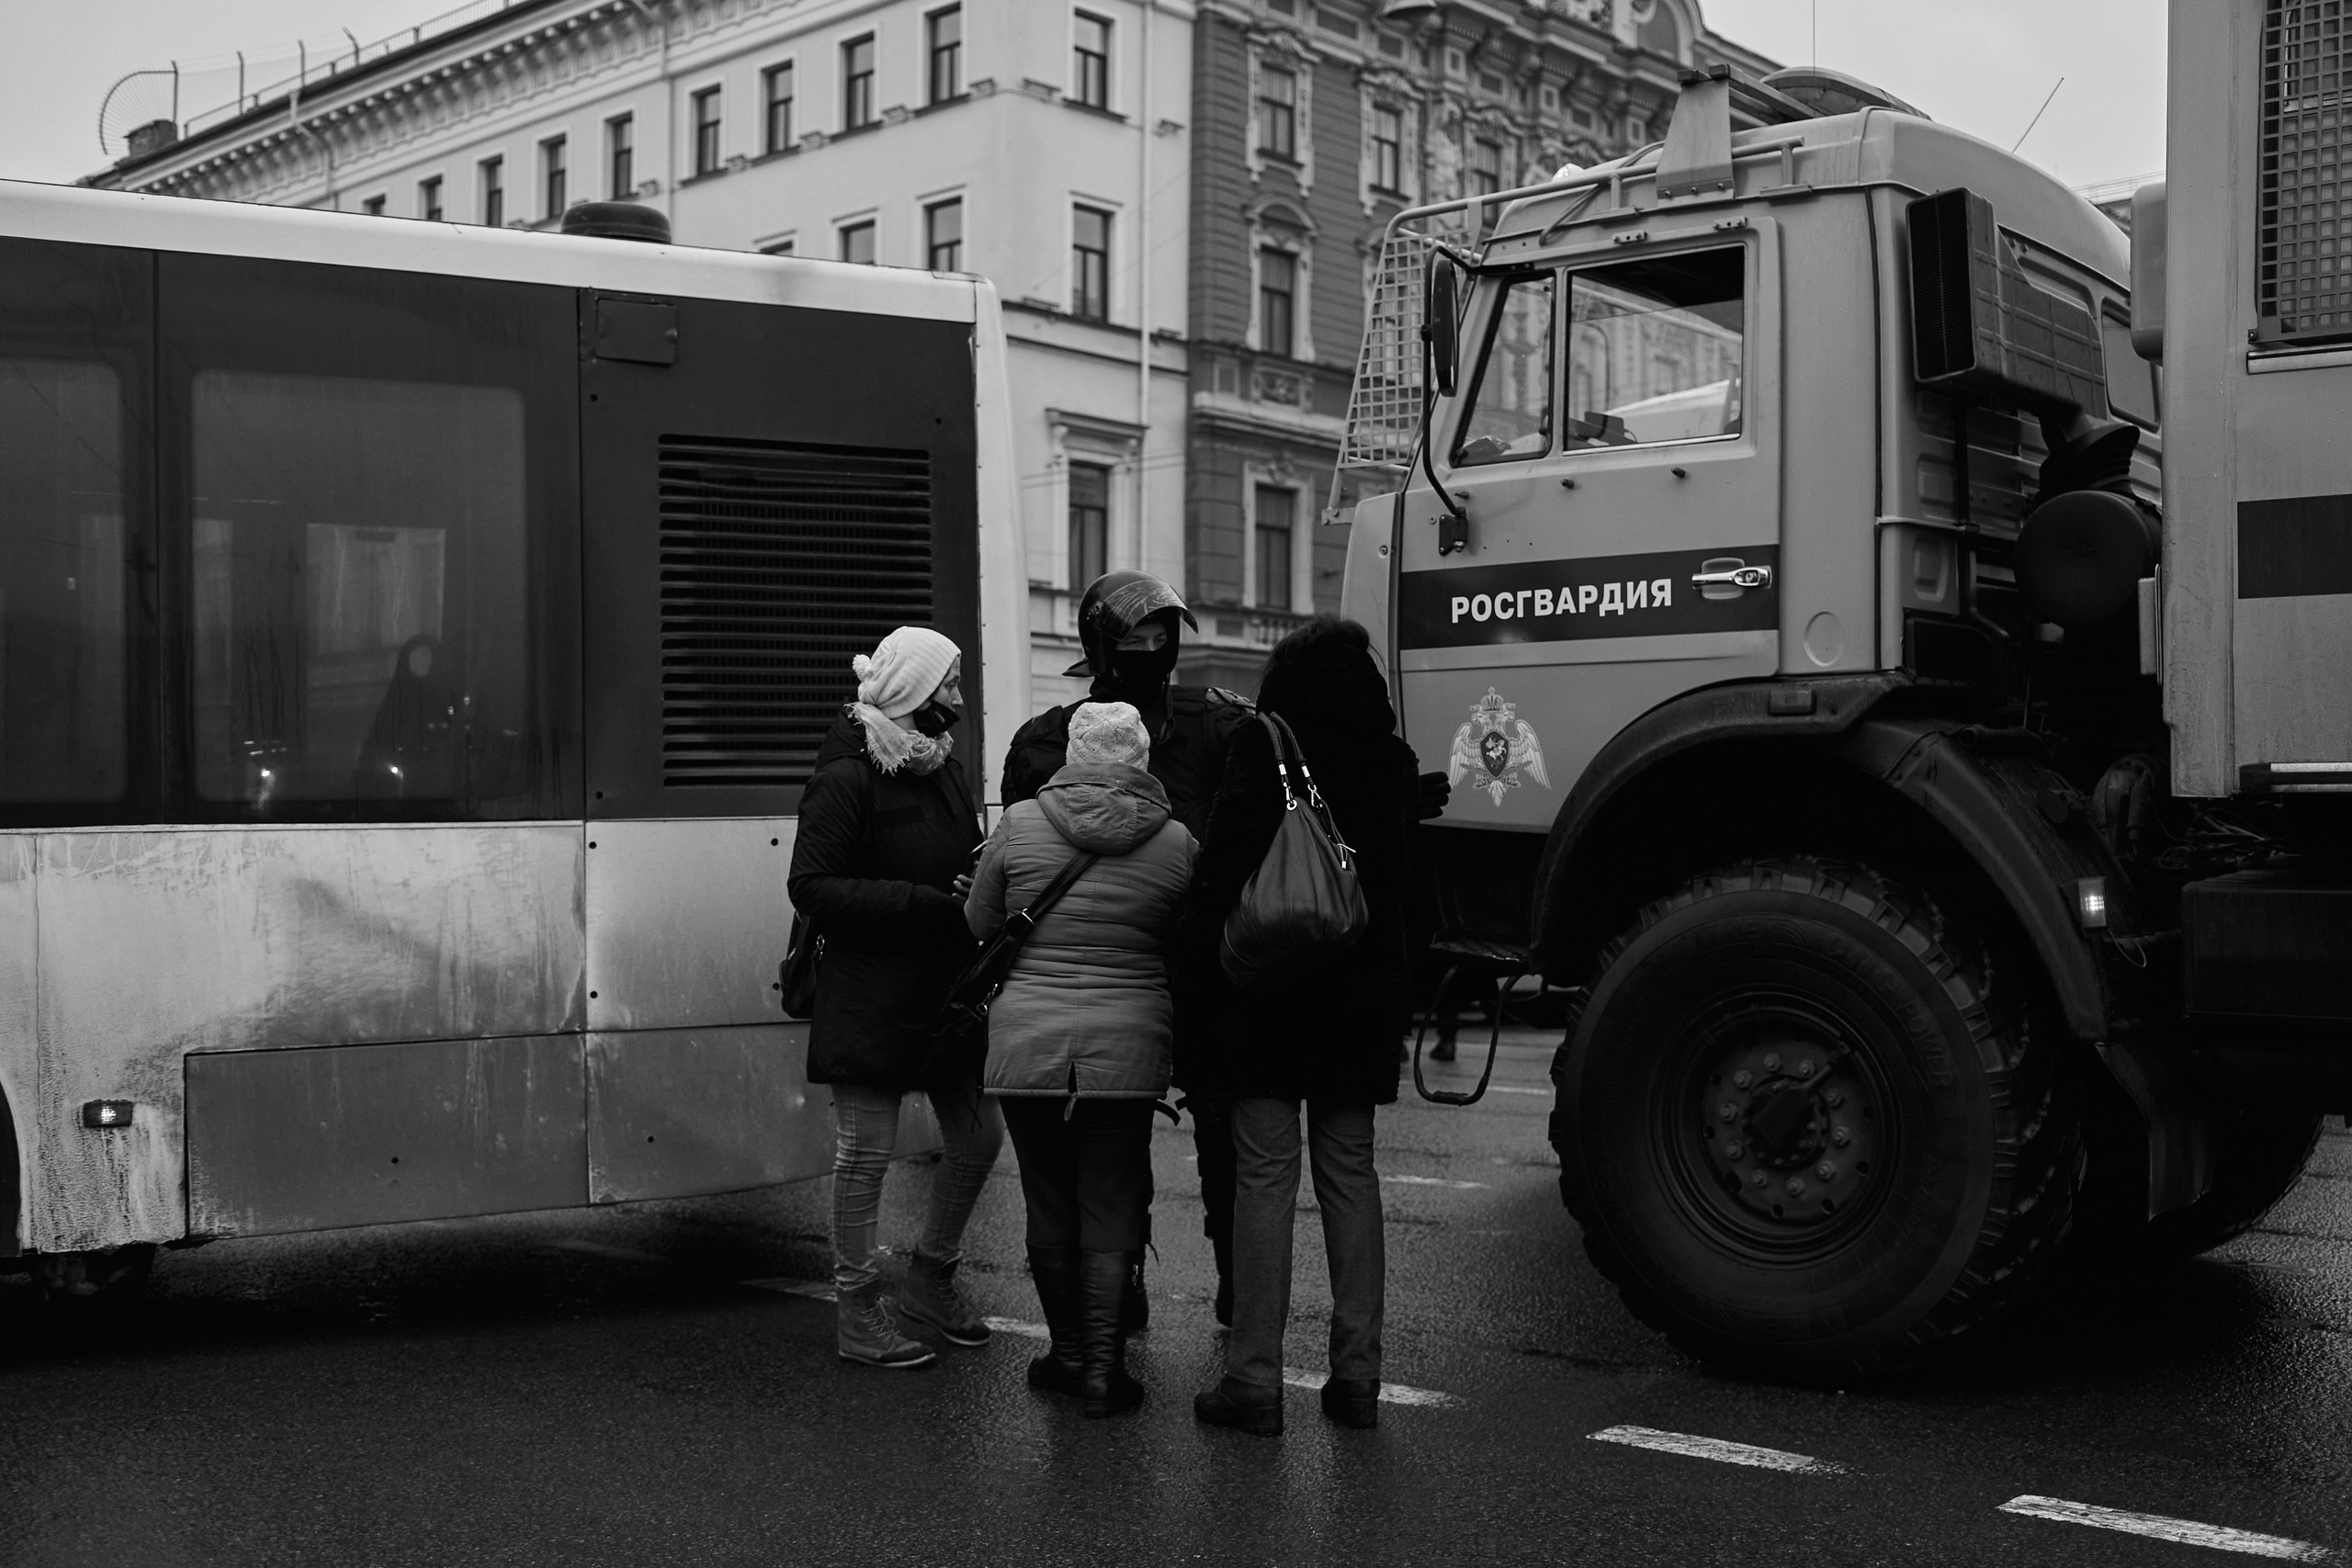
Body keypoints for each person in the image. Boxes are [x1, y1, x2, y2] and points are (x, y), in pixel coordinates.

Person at [1182, 618, 1422, 1437]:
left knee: (1265, 1180)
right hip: (1359, 999)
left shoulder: (1266, 744)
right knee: (1351, 1176)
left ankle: (1254, 1381)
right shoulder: (1391, 763)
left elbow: (1221, 870)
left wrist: (1199, 959)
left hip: (1270, 997)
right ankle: (1358, 1378)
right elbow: (1402, 895)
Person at [1001, 570, 1254, 1327]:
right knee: (1112, 1148)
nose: (1153, 650)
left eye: (1163, 635)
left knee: (1223, 1140)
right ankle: (1118, 1296)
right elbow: (1013, 860)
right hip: (1112, 973)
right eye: (1136, 636)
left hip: (1205, 972)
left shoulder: (1218, 724)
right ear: (1101, 645)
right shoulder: (1047, 739)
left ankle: (1239, 1283)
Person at [971, 702, 1195, 1416]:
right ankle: (1104, 1370)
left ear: (1072, 751)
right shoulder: (1179, 842)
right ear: (1141, 759)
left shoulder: (1019, 823)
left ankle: (1066, 1352)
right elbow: (1185, 943)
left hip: (1027, 1042)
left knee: (1047, 1197)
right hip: (1127, 1045)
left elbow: (977, 924)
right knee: (1111, 1195)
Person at [788, 626, 1001, 1370]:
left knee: (979, 1139)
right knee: (866, 1155)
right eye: (948, 685)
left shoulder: (941, 765)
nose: (959, 698)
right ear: (912, 691)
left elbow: (958, 856)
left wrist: (976, 883)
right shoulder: (848, 775)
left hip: (945, 988)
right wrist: (918, 901)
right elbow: (811, 886)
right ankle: (857, 1312)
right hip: (870, 992)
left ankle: (930, 1279)